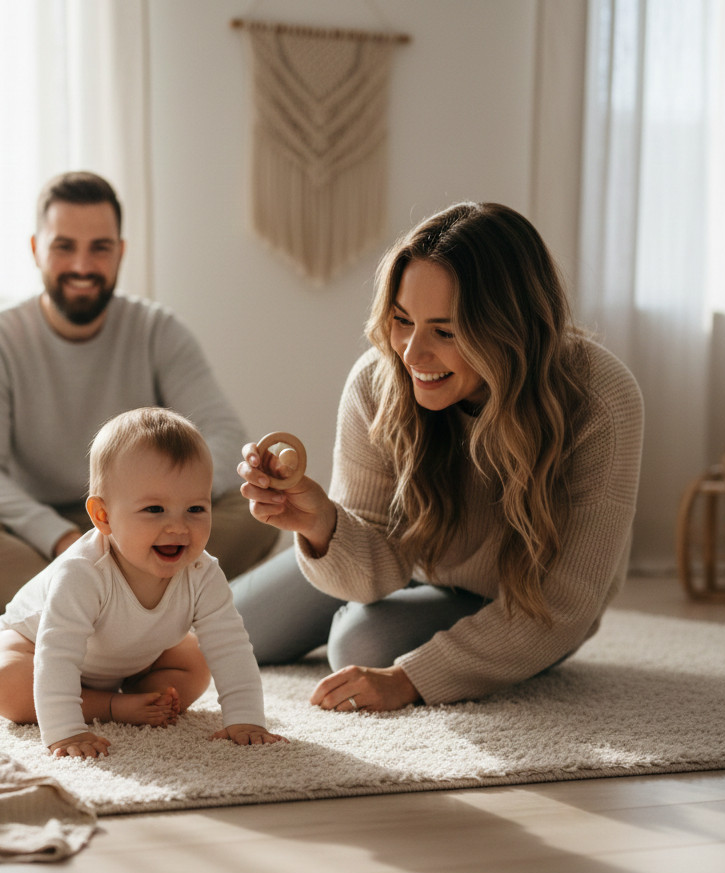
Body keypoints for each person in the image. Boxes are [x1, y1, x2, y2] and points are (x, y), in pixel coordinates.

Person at [233, 201, 644, 716]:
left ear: (510, 328)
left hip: (513, 596)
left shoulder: (601, 400)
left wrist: (407, 679)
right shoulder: (378, 381)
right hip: (405, 562)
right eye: (403, 320)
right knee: (216, 630)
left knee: (361, 646)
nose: (411, 354)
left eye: (445, 332)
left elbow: (565, 606)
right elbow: (376, 568)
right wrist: (322, 524)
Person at [0, 171, 277, 614]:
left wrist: (154, 515)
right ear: (36, 250)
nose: (83, 266)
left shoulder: (157, 330)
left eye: (100, 248)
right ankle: (138, 609)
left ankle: (83, 613)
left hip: (146, 522)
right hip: (39, 533)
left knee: (258, 512)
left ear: (120, 252)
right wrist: (67, 540)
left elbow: (222, 437)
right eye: (64, 246)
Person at [0, 407, 288, 758]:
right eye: (155, 510)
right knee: (4, 685)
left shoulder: (203, 573)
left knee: (196, 662)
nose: (178, 527)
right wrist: (66, 733)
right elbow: (57, 655)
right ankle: (108, 705)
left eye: (196, 509)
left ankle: (138, 693)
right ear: (103, 516)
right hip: (37, 648)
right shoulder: (82, 573)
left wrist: (246, 719)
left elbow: (231, 646)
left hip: (131, 659)